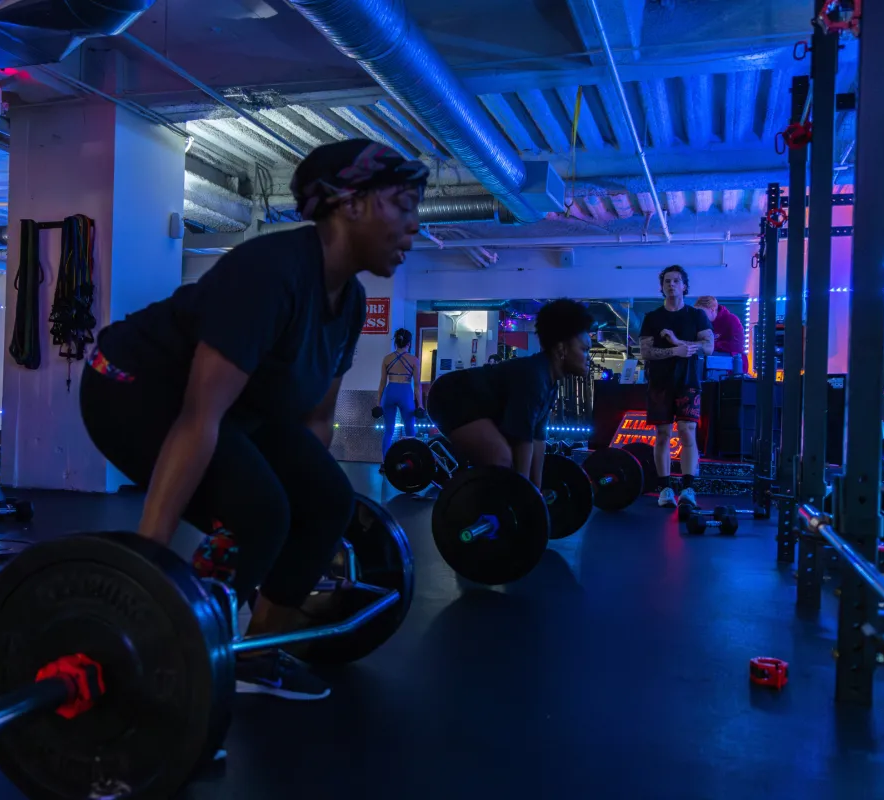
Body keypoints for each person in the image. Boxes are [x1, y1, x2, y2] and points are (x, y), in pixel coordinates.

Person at [80, 139, 426, 703]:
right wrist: (148, 563)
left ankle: (258, 652)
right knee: (259, 512)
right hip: (131, 386)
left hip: (236, 408)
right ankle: (177, 644)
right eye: (404, 205)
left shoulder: (351, 302)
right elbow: (198, 417)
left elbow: (316, 424)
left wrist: (309, 539)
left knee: (328, 500)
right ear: (352, 203)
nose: (414, 226)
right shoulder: (270, 272)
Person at [425, 299, 593, 487]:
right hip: (449, 397)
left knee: (509, 464)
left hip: (477, 406)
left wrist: (537, 490)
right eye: (585, 350)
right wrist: (524, 494)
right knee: (502, 460)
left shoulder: (551, 382)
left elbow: (537, 439)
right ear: (562, 349)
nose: (589, 358)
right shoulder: (533, 376)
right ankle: (466, 502)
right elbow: (521, 441)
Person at [639, 266, 714, 509]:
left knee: (687, 432)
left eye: (676, 281)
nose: (671, 284)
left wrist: (678, 342)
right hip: (660, 383)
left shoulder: (697, 316)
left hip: (688, 381)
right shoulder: (652, 318)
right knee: (662, 435)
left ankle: (688, 488)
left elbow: (708, 347)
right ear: (662, 287)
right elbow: (645, 352)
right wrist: (674, 351)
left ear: (684, 286)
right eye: (667, 281)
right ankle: (665, 489)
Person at [375, 328, 422, 459]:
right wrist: (421, 405)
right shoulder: (414, 360)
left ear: (395, 342)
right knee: (410, 429)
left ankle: (385, 462)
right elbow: (417, 385)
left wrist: (378, 403)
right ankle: (412, 459)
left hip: (389, 391)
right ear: (409, 343)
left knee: (388, 430)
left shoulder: (387, 359)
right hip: (405, 393)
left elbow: (382, 383)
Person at [693, 295, 747, 374]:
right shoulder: (701, 323)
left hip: (732, 367)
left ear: (712, 310)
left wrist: (710, 345)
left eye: (702, 313)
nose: (699, 316)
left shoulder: (732, 320)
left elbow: (737, 346)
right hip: (711, 365)